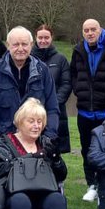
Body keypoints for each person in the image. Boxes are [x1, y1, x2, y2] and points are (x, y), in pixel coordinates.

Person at [69, 18, 105, 200]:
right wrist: (79, 90)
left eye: (93, 29)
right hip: (84, 111)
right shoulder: (78, 50)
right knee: (87, 150)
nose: (90, 33)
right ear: (82, 32)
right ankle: (92, 185)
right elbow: (73, 74)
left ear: (100, 30)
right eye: (86, 30)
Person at [0, 26, 59, 141]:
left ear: (31, 44)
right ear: (8, 45)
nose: (20, 48)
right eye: (16, 44)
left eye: (24, 44)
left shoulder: (43, 71)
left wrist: (48, 138)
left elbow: (52, 108)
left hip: (36, 142)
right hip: (4, 142)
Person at [32, 24, 72, 154]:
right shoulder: (29, 58)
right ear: (35, 38)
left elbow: (66, 84)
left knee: (54, 151)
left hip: (55, 112)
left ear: (51, 38)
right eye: (40, 37)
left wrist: (53, 103)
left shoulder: (60, 59)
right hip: (32, 112)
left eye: (46, 37)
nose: (43, 41)